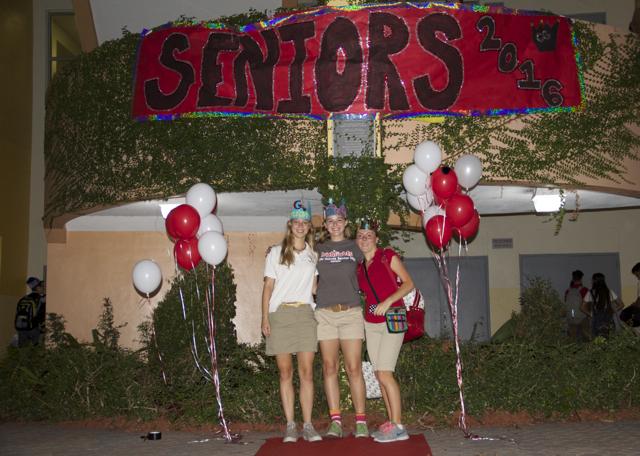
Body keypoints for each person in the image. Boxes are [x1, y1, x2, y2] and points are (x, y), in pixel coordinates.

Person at [261, 201, 322, 443]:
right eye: (296, 222)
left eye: (304, 223)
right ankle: (290, 425)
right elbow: (267, 287)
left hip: (306, 315)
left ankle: (308, 425)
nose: (300, 226)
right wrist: (264, 318)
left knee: (306, 373)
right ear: (290, 225)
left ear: (308, 227)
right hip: (281, 315)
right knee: (285, 372)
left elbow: (315, 288)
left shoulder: (313, 255)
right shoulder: (276, 252)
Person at [315, 199, 368, 438]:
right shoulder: (317, 249)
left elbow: (374, 265)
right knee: (329, 367)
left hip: (351, 313)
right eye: (330, 221)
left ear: (345, 223)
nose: (334, 225)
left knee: (354, 367)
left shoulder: (356, 247)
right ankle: (335, 421)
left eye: (338, 221)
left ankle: (360, 421)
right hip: (325, 314)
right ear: (325, 225)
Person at [355, 220, 412, 443]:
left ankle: (399, 426)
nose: (364, 239)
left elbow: (408, 283)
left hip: (393, 318)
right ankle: (391, 422)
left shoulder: (387, 256)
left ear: (376, 239)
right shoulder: (360, 267)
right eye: (360, 235)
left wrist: (388, 301)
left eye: (369, 235)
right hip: (371, 322)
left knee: (386, 373)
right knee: (379, 375)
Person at [581, 272, 623, 339]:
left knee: (598, 342)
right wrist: (613, 311)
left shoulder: (591, 292)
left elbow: (582, 307)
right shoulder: (609, 292)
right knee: (610, 341)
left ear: (594, 281)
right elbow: (621, 304)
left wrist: (591, 314)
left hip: (596, 322)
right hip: (609, 321)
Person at [14, 277, 46, 347]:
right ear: (37, 288)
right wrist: (43, 328)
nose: (43, 288)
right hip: (34, 328)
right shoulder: (41, 299)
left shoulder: (23, 299)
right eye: (41, 286)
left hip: (21, 329)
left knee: (23, 351)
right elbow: (41, 315)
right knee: (36, 351)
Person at [563, 270, 590, 342]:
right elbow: (587, 304)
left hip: (571, 318)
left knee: (572, 342)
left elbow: (566, 303)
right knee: (586, 340)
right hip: (583, 318)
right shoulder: (585, 290)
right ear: (581, 278)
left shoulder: (567, 291)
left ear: (572, 278)